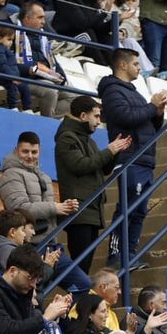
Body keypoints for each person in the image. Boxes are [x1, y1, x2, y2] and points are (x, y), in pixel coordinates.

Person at [98, 49, 165, 258]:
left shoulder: (134, 92)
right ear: (123, 65)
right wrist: (151, 107)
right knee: (128, 209)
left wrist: (158, 113)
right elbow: (125, 117)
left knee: (139, 211)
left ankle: (130, 255)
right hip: (130, 158)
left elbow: (148, 125)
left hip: (144, 159)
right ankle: (117, 255)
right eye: (136, 63)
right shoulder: (112, 91)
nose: (139, 67)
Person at [55, 95, 129, 274]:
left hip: (92, 210)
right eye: (96, 116)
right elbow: (80, 165)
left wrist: (115, 152)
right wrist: (109, 151)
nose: (99, 121)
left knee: (84, 266)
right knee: (80, 265)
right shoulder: (67, 138)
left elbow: (102, 169)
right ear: (83, 116)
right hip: (80, 210)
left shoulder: (88, 139)